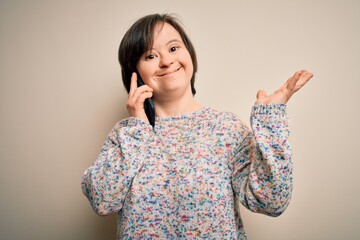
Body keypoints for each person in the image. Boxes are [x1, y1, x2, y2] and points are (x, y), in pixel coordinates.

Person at [81, 13, 313, 239]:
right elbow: (103, 200)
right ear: (135, 73)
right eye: (150, 56)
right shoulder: (127, 134)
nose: (166, 61)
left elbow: (272, 202)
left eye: (173, 48)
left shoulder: (227, 128)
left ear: (189, 55)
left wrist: (269, 123)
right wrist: (137, 129)